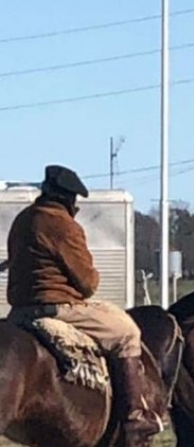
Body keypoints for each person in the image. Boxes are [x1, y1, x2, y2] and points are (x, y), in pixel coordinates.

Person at [5, 165, 161, 442]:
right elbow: (87, 283)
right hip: (58, 307)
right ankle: (135, 415)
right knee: (127, 333)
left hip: (19, 313)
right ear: (69, 199)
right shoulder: (63, 224)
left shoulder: (23, 219)